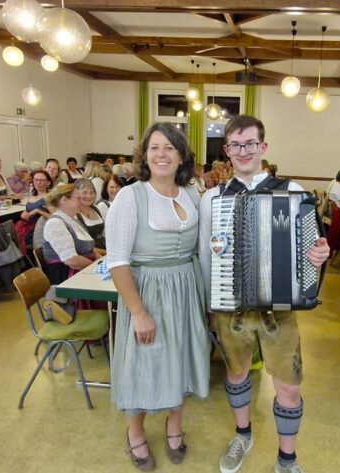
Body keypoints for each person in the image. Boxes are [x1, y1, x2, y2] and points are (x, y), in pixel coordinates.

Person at [199, 115, 330, 473]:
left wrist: (319, 256)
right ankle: (243, 435)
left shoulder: (291, 191)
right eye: (236, 145)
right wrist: (212, 304)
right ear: (227, 150)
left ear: (263, 147)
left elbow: (311, 250)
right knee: (236, 375)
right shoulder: (212, 198)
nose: (243, 151)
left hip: (279, 312)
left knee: (288, 388)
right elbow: (206, 253)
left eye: (250, 144)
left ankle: (287, 459)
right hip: (230, 308)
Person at [104, 122, 210, 471]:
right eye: (154, 148)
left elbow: (206, 246)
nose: (161, 154)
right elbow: (118, 261)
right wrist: (138, 313)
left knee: (183, 358)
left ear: (182, 156)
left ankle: (174, 425)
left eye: (169, 148)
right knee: (143, 364)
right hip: (147, 289)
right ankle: (135, 432)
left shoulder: (192, 194)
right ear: (145, 155)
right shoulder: (130, 196)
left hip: (185, 287)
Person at [41, 183, 102, 285]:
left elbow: (91, 249)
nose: (81, 201)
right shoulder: (55, 223)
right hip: (67, 278)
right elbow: (72, 261)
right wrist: (96, 268)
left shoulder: (72, 219)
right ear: (65, 200)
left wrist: (100, 260)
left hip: (84, 271)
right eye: (78, 198)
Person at [15, 170, 53, 251]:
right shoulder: (32, 197)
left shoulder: (48, 197)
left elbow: (56, 217)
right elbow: (28, 211)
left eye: (41, 180)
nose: (38, 183)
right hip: (27, 228)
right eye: (36, 180)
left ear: (48, 182)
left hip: (38, 232)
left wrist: (38, 211)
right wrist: (23, 214)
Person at [73, 178, 106, 250]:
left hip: (105, 249)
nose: (89, 196)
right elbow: (79, 244)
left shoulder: (97, 209)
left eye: (91, 192)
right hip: (89, 252)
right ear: (76, 194)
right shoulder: (73, 214)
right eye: (84, 193)